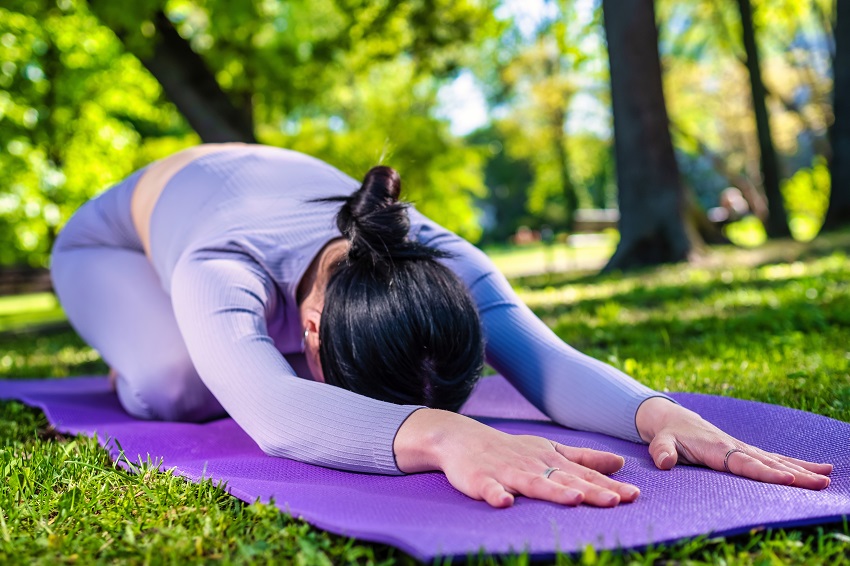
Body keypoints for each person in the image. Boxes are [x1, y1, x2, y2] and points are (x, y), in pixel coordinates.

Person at [50, 144, 832, 509]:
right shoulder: (220, 266)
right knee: (182, 383)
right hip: (111, 247)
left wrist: (657, 411)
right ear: (312, 326)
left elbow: (545, 361)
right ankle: (140, 353)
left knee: (228, 365)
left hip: (251, 203)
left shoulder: (434, 249)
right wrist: (444, 436)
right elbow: (275, 413)